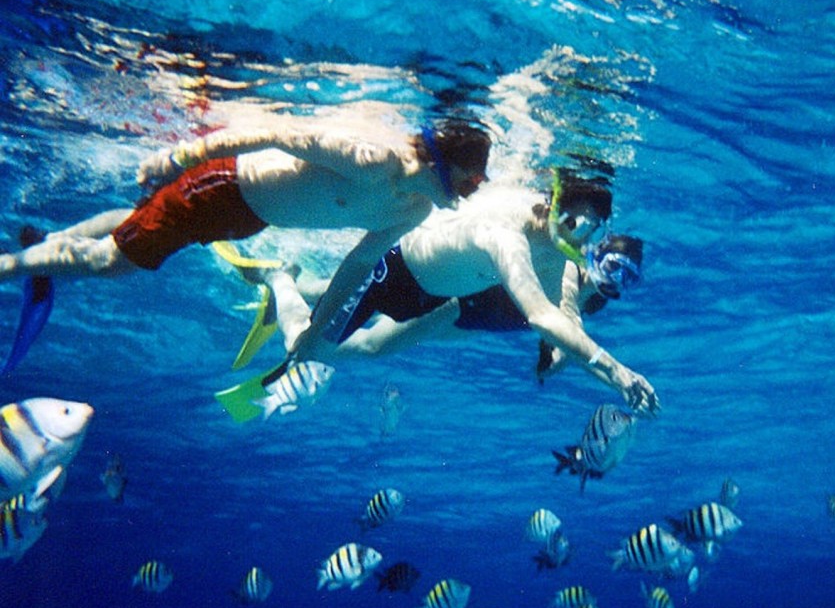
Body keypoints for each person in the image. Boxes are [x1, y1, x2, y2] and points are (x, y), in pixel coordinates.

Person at [0, 116, 491, 368]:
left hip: (247, 216)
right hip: (222, 186)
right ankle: (13, 265)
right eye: (473, 179)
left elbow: (360, 263)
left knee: (138, 225)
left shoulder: (414, 208)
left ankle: (51, 244)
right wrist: (180, 156)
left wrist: (319, 328)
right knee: (112, 261)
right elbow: (275, 134)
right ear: (443, 163)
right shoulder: (372, 160)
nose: (477, 189)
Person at [221, 172, 659, 417]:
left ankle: (292, 284)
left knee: (358, 342)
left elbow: (564, 324)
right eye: (578, 228)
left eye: (593, 234)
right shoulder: (506, 237)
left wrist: (620, 382)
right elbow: (543, 316)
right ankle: (279, 278)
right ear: (557, 205)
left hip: (430, 293)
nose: (582, 244)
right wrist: (619, 373)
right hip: (391, 271)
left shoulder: (556, 250)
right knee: (305, 351)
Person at [233, 232, 643, 382]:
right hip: (446, 305)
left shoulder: (592, 308)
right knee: (366, 342)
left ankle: (285, 277)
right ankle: (280, 281)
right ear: (595, 252)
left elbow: (545, 365)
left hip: (459, 321)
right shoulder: (564, 268)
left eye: (625, 277)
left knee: (338, 298)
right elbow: (558, 312)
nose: (612, 280)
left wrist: (567, 353)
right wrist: (585, 353)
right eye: (612, 266)